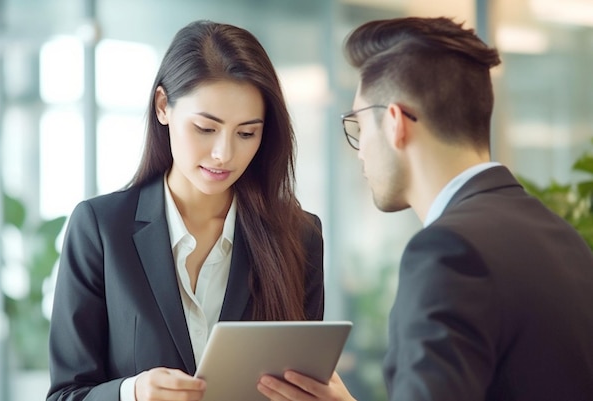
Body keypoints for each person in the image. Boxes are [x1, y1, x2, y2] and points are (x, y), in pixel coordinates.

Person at [257, 16, 593, 401]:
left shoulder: (448, 252)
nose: (360, 151)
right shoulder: (562, 239)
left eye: (359, 126)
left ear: (396, 122)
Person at [46, 20, 325, 401]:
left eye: (247, 133)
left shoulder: (298, 236)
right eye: (206, 129)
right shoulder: (100, 228)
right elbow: (65, 394)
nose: (224, 154)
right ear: (163, 106)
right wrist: (132, 393)